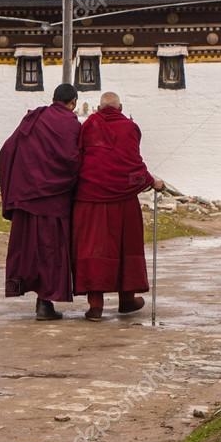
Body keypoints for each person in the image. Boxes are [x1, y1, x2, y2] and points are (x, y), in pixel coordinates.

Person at [72, 91, 164, 321]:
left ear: (99, 109)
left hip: (90, 198)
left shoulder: (89, 125)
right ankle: (126, 300)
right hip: (122, 199)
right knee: (126, 247)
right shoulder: (129, 127)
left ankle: (95, 306)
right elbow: (133, 163)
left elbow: (79, 157)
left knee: (94, 249)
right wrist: (152, 181)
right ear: (120, 108)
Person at [0, 83, 82, 321]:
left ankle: (33, 297)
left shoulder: (35, 118)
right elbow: (73, 160)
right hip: (54, 200)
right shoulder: (71, 124)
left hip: (27, 197)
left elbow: (7, 150)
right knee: (51, 251)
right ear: (73, 102)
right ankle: (44, 304)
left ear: (54, 98)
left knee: (27, 249)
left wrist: (18, 183)